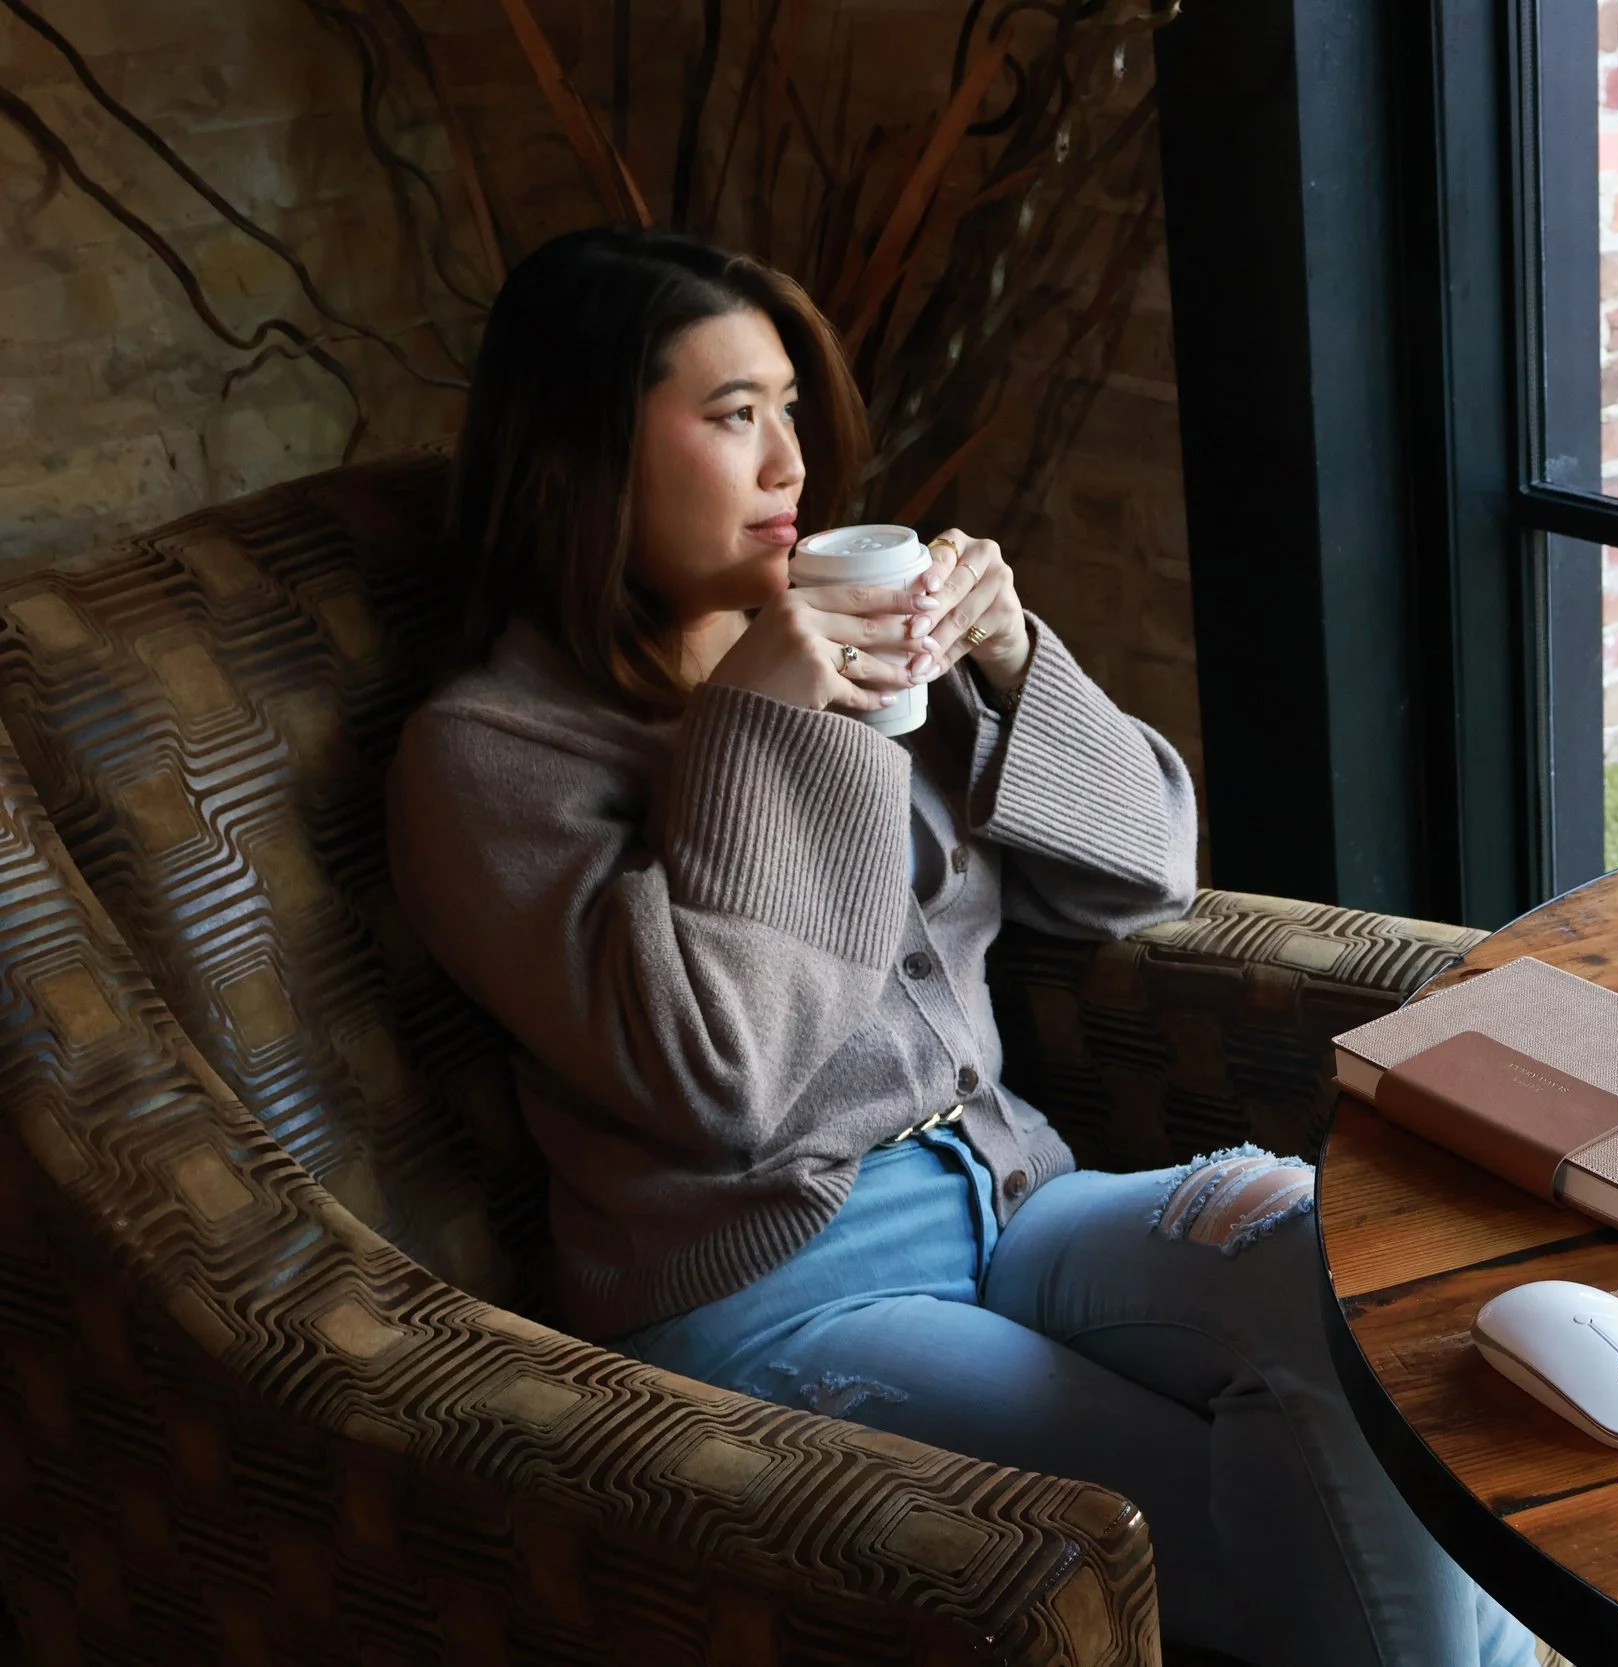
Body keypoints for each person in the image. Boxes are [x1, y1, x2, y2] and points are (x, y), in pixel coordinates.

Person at [387, 226, 1535, 1667]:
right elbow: (718, 1079)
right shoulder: (488, 758)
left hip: (1017, 1193)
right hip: (777, 1294)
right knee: (1224, 1529)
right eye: (734, 415)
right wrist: (764, 724)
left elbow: (1147, 874)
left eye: (790, 408)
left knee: (1351, 1275)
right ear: (582, 455)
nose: (791, 464)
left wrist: (1012, 661)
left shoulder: (848, 647)